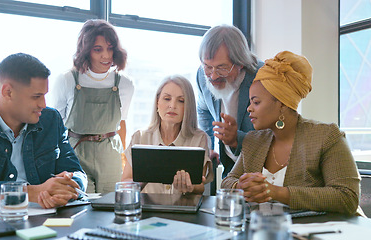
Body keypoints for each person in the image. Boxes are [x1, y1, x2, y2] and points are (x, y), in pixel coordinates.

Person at [221, 51, 363, 215]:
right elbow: (227, 182)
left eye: (256, 102)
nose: (249, 108)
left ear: (281, 103)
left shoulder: (326, 136)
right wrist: (240, 186)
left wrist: (275, 192)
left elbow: (347, 197)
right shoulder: (253, 140)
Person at [0, 53, 87, 209]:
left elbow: (76, 172)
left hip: (45, 220)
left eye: (45, 95)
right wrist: (32, 192)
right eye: (36, 96)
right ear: (8, 92)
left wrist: (67, 187)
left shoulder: (51, 119)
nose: (43, 104)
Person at [51, 19, 134, 193]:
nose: (106, 56)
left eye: (110, 48)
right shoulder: (67, 80)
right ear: (86, 50)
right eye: (98, 50)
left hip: (110, 155)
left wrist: (124, 160)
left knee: (110, 208)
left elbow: (122, 124)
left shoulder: (124, 84)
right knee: (80, 206)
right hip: (76, 153)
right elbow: (55, 127)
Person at [196, 25, 263, 195]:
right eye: (208, 66)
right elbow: (203, 109)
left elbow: (275, 136)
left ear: (240, 63)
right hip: (230, 173)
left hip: (263, 174)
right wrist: (208, 145)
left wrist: (236, 139)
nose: (213, 76)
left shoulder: (263, 78)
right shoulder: (202, 76)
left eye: (222, 67)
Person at [121, 75, 212, 194]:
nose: (172, 106)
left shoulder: (199, 138)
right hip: (147, 209)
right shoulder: (140, 137)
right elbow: (125, 181)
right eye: (167, 98)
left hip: (183, 209)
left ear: (188, 107)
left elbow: (200, 185)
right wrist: (141, 181)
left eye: (181, 101)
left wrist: (190, 188)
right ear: (157, 102)